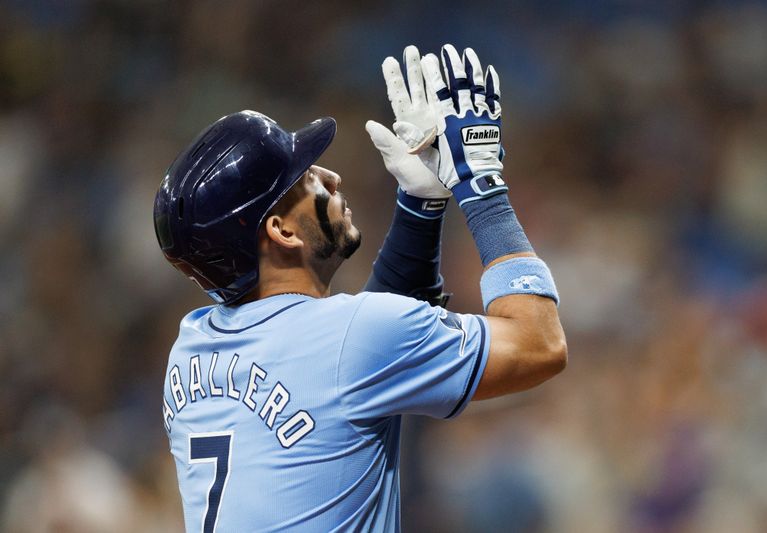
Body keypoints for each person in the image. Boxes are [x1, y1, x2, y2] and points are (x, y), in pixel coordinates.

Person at [153, 44, 566, 533]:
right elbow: (540, 344)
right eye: (305, 179)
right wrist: (482, 185)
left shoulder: (190, 345)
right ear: (282, 231)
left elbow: (355, 357)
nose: (330, 176)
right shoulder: (354, 339)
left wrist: (420, 205)